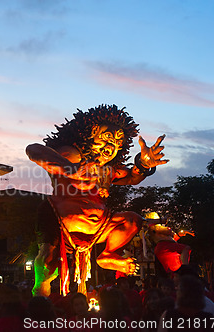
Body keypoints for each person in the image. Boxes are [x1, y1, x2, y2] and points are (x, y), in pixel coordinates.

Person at [27, 105, 168, 296]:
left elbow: (133, 177)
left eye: (118, 141)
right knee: (47, 264)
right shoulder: (70, 155)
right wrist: (71, 169)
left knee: (132, 219)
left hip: (98, 227)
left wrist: (143, 164)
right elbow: (33, 150)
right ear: (92, 133)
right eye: (108, 137)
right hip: (60, 221)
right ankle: (40, 299)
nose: (112, 145)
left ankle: (108, 254)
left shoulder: (108, 169)